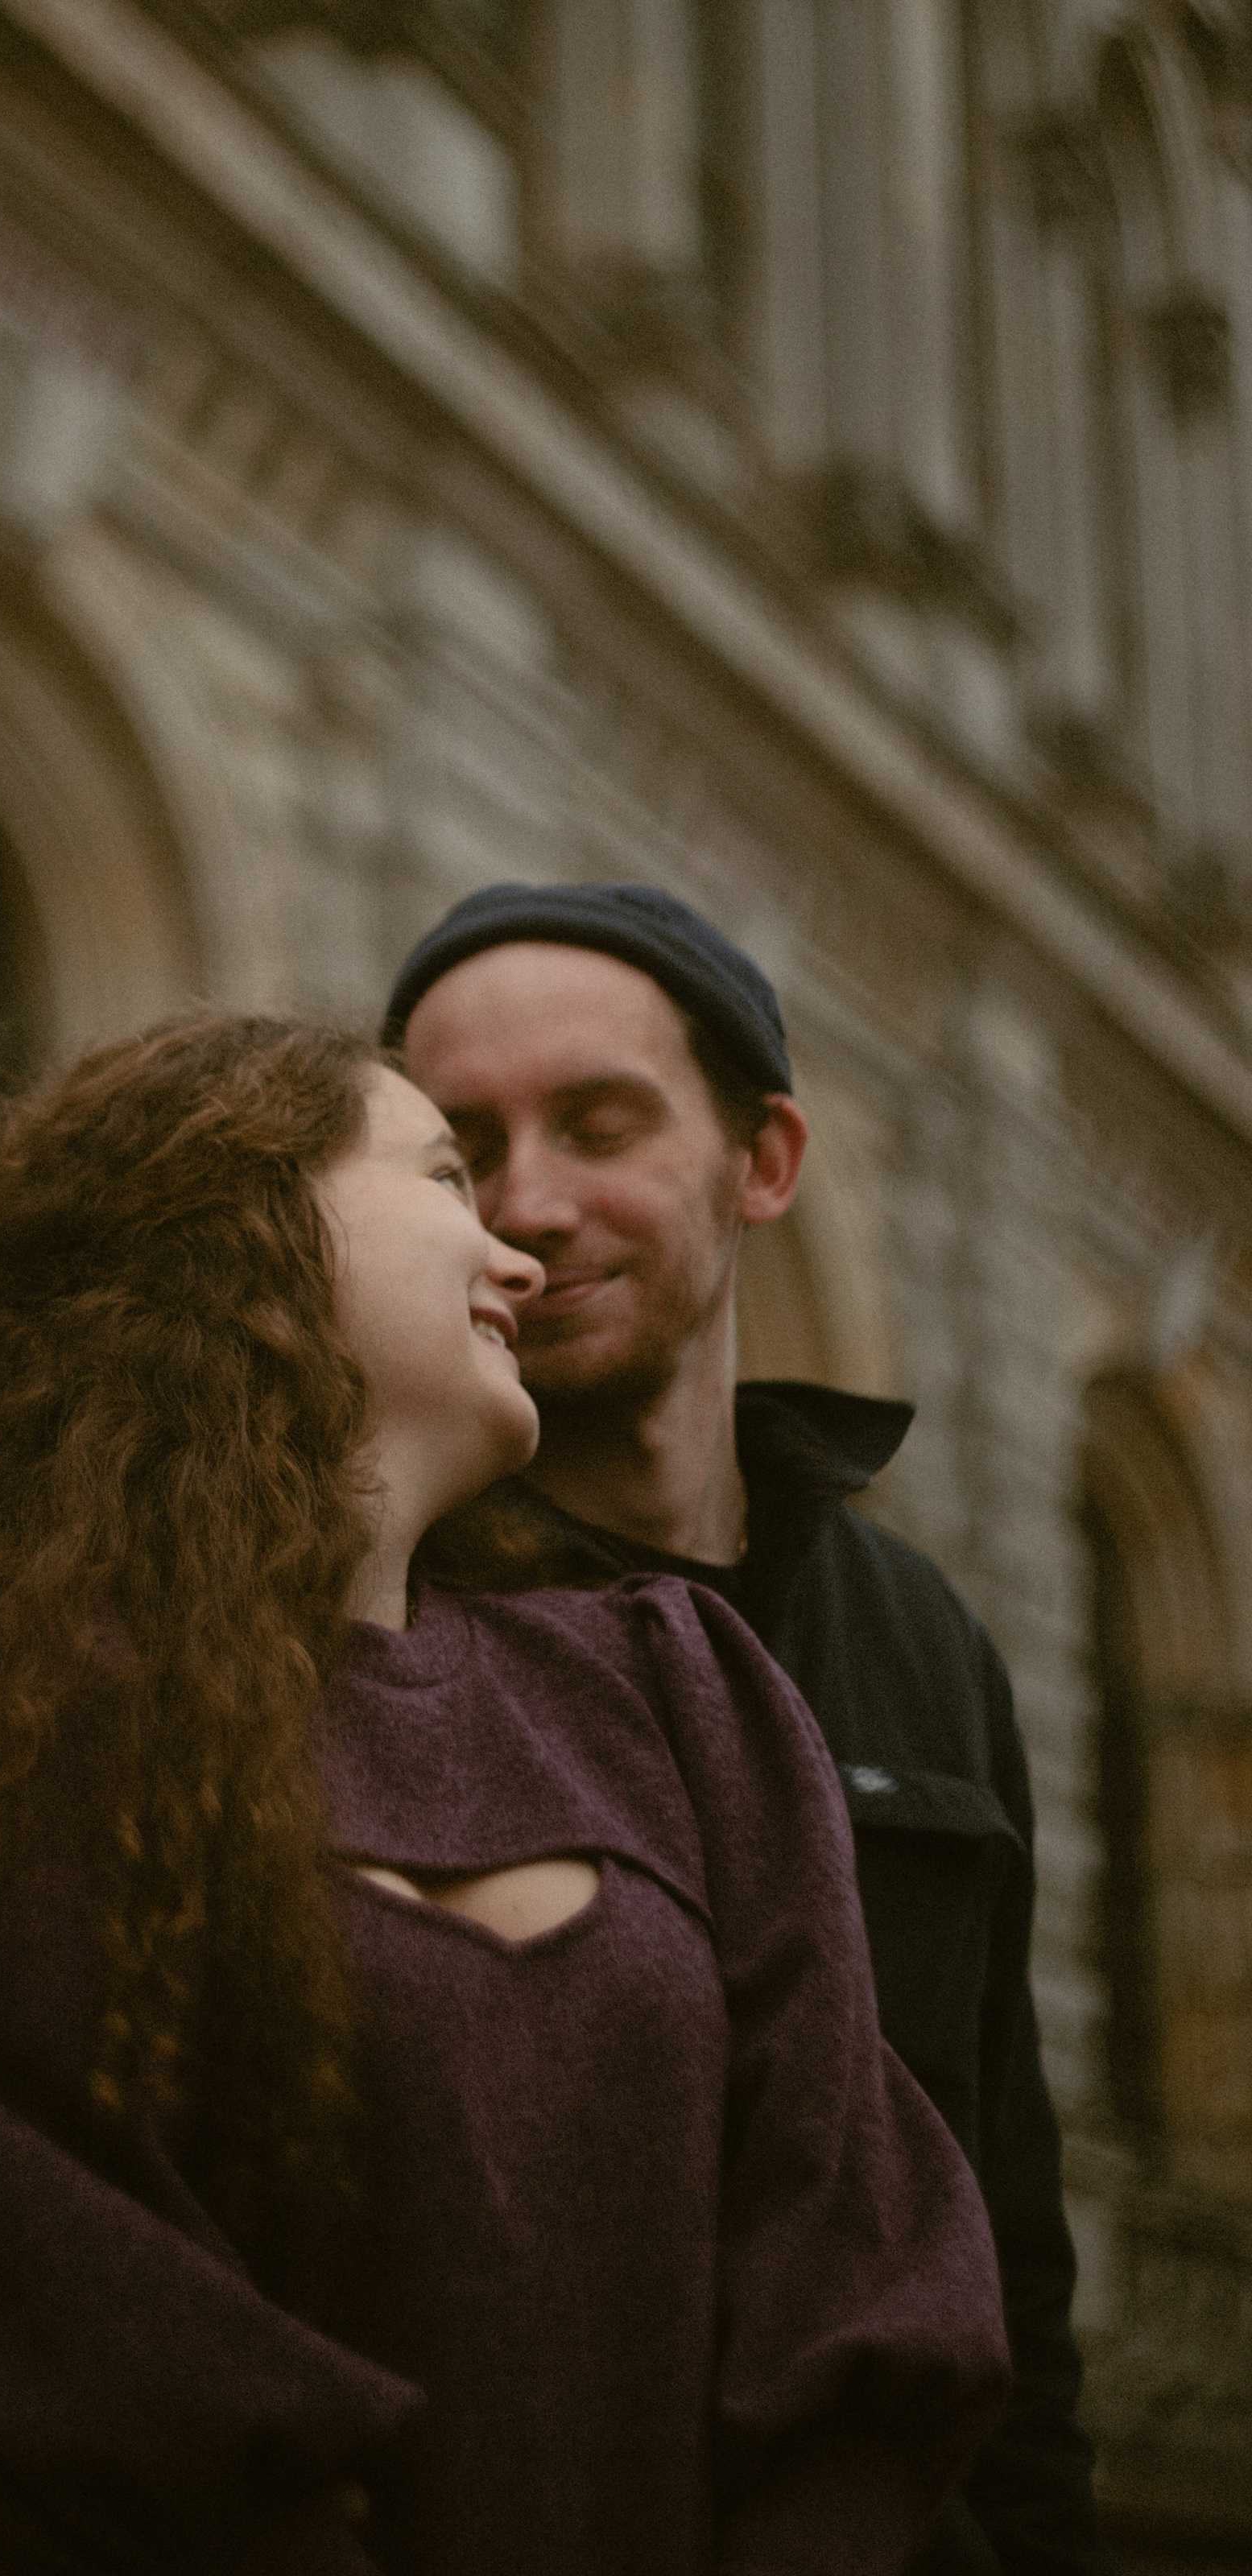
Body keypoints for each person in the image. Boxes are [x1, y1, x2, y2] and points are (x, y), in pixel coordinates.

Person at [0, 1012, 1009, 2574]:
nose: (516, 1252)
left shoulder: (680, 1689)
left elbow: (865, 2280)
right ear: (239, 1227)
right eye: (444, 1174)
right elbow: (76, 2332)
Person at [385, 883, 1110, 2576]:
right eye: (459, 1148)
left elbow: (1004, 2235)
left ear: (760, 1160)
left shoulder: (921, 1643)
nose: (527, 1203)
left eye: (598, 1121)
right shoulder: (363, 1602)